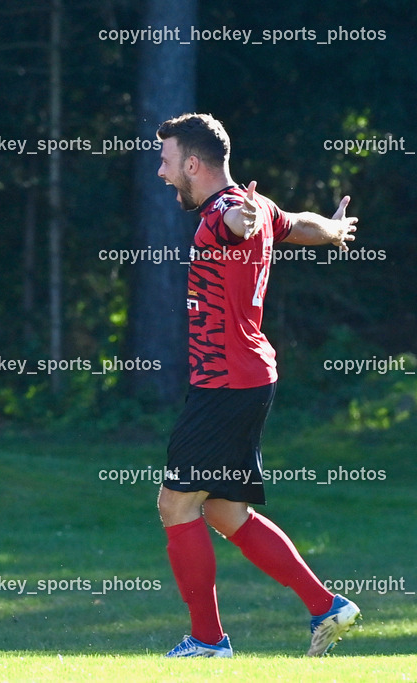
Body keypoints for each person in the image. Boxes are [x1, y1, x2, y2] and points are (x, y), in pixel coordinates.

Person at [154, 113, 360, 658]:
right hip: (247, 378)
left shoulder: (225, 213)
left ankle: (207, 641)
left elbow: (234, 225)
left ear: (192, 164)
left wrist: (240, 222)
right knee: (224, 512)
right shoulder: (257, 207)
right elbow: (297, 224)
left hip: (225, 383)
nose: (161, 173)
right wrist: (332, 230)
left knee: (176, 505)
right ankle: (325, 606)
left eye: (167, 162)